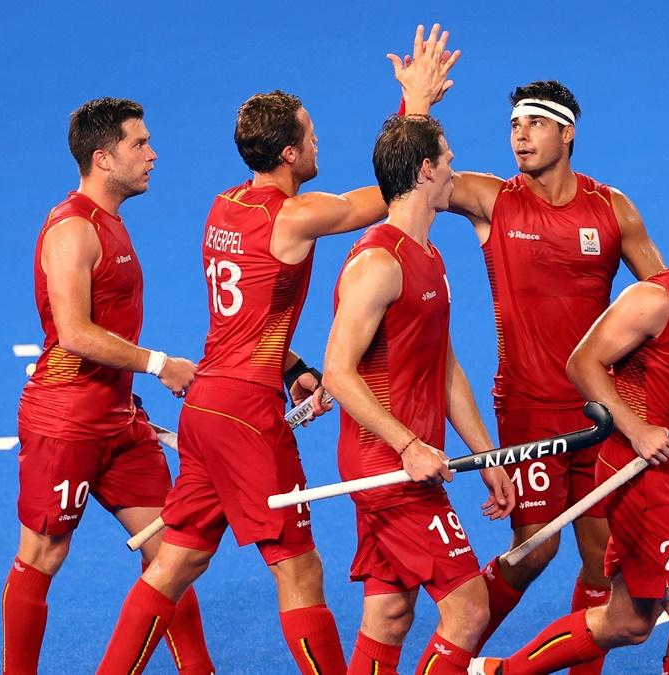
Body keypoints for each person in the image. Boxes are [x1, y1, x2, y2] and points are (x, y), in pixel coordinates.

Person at [95, 26, 460, 675]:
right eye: (312, 133)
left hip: (206, 404)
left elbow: (244, 312)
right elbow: (388, 198)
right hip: (245, 417)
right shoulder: (291, 216)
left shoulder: (221, 207)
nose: (320, 140)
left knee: (177, 560)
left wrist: (292, 366)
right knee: (300, 570)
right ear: (290, 152)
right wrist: (417, 112)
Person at [470, 184, 669, 675]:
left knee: (628, 621)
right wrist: (638, 429)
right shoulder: (655, 300)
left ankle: (499, 672)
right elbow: (582, 363)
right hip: (639, 471)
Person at [434, 79, 665, 666]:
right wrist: (416, 108)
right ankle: (455, 652)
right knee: (536, 547)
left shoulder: (613, 210)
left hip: (599, 408)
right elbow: (418, 180)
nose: (520, 136)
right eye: (514, 126)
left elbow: (666, 302)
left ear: (567, 132)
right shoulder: (494, 200)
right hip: (530, 411)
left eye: (534, 124)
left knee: (601, 554)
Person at [5, 97, 213, 675]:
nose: (153, 154)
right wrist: (158, 363)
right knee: (43, 554)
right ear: (102, 158)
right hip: (65, 420)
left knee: (170, 555)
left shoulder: (110, 221)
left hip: (119, 418)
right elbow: (72, 332)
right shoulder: (73, 229)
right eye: (139, 144)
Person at [322, 113, 516, 675]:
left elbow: (445, 364)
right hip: (388, 464)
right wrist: (408, 445)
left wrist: (487, 455)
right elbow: (337, 371)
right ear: (426, 170)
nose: (456, 166)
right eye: (448, 157)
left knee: (388, 616)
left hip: (410, 459)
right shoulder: (379, 262)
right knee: (468, 610)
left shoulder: (429, 254)